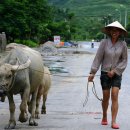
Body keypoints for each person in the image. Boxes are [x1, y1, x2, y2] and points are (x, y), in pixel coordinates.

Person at [88, 21, 128, 129]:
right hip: (105, 73)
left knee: (114, 95)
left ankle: (113, 121)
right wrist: (92, 72)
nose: (115, 32)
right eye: (113, 30)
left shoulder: (123, 44)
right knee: (105, 97)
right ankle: (104, 115)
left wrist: (115, 71)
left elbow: (124, 60)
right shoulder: (104, 43)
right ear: (110, 31)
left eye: (117, 30)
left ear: (120, 32)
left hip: (117, 73)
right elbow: (98, 58)